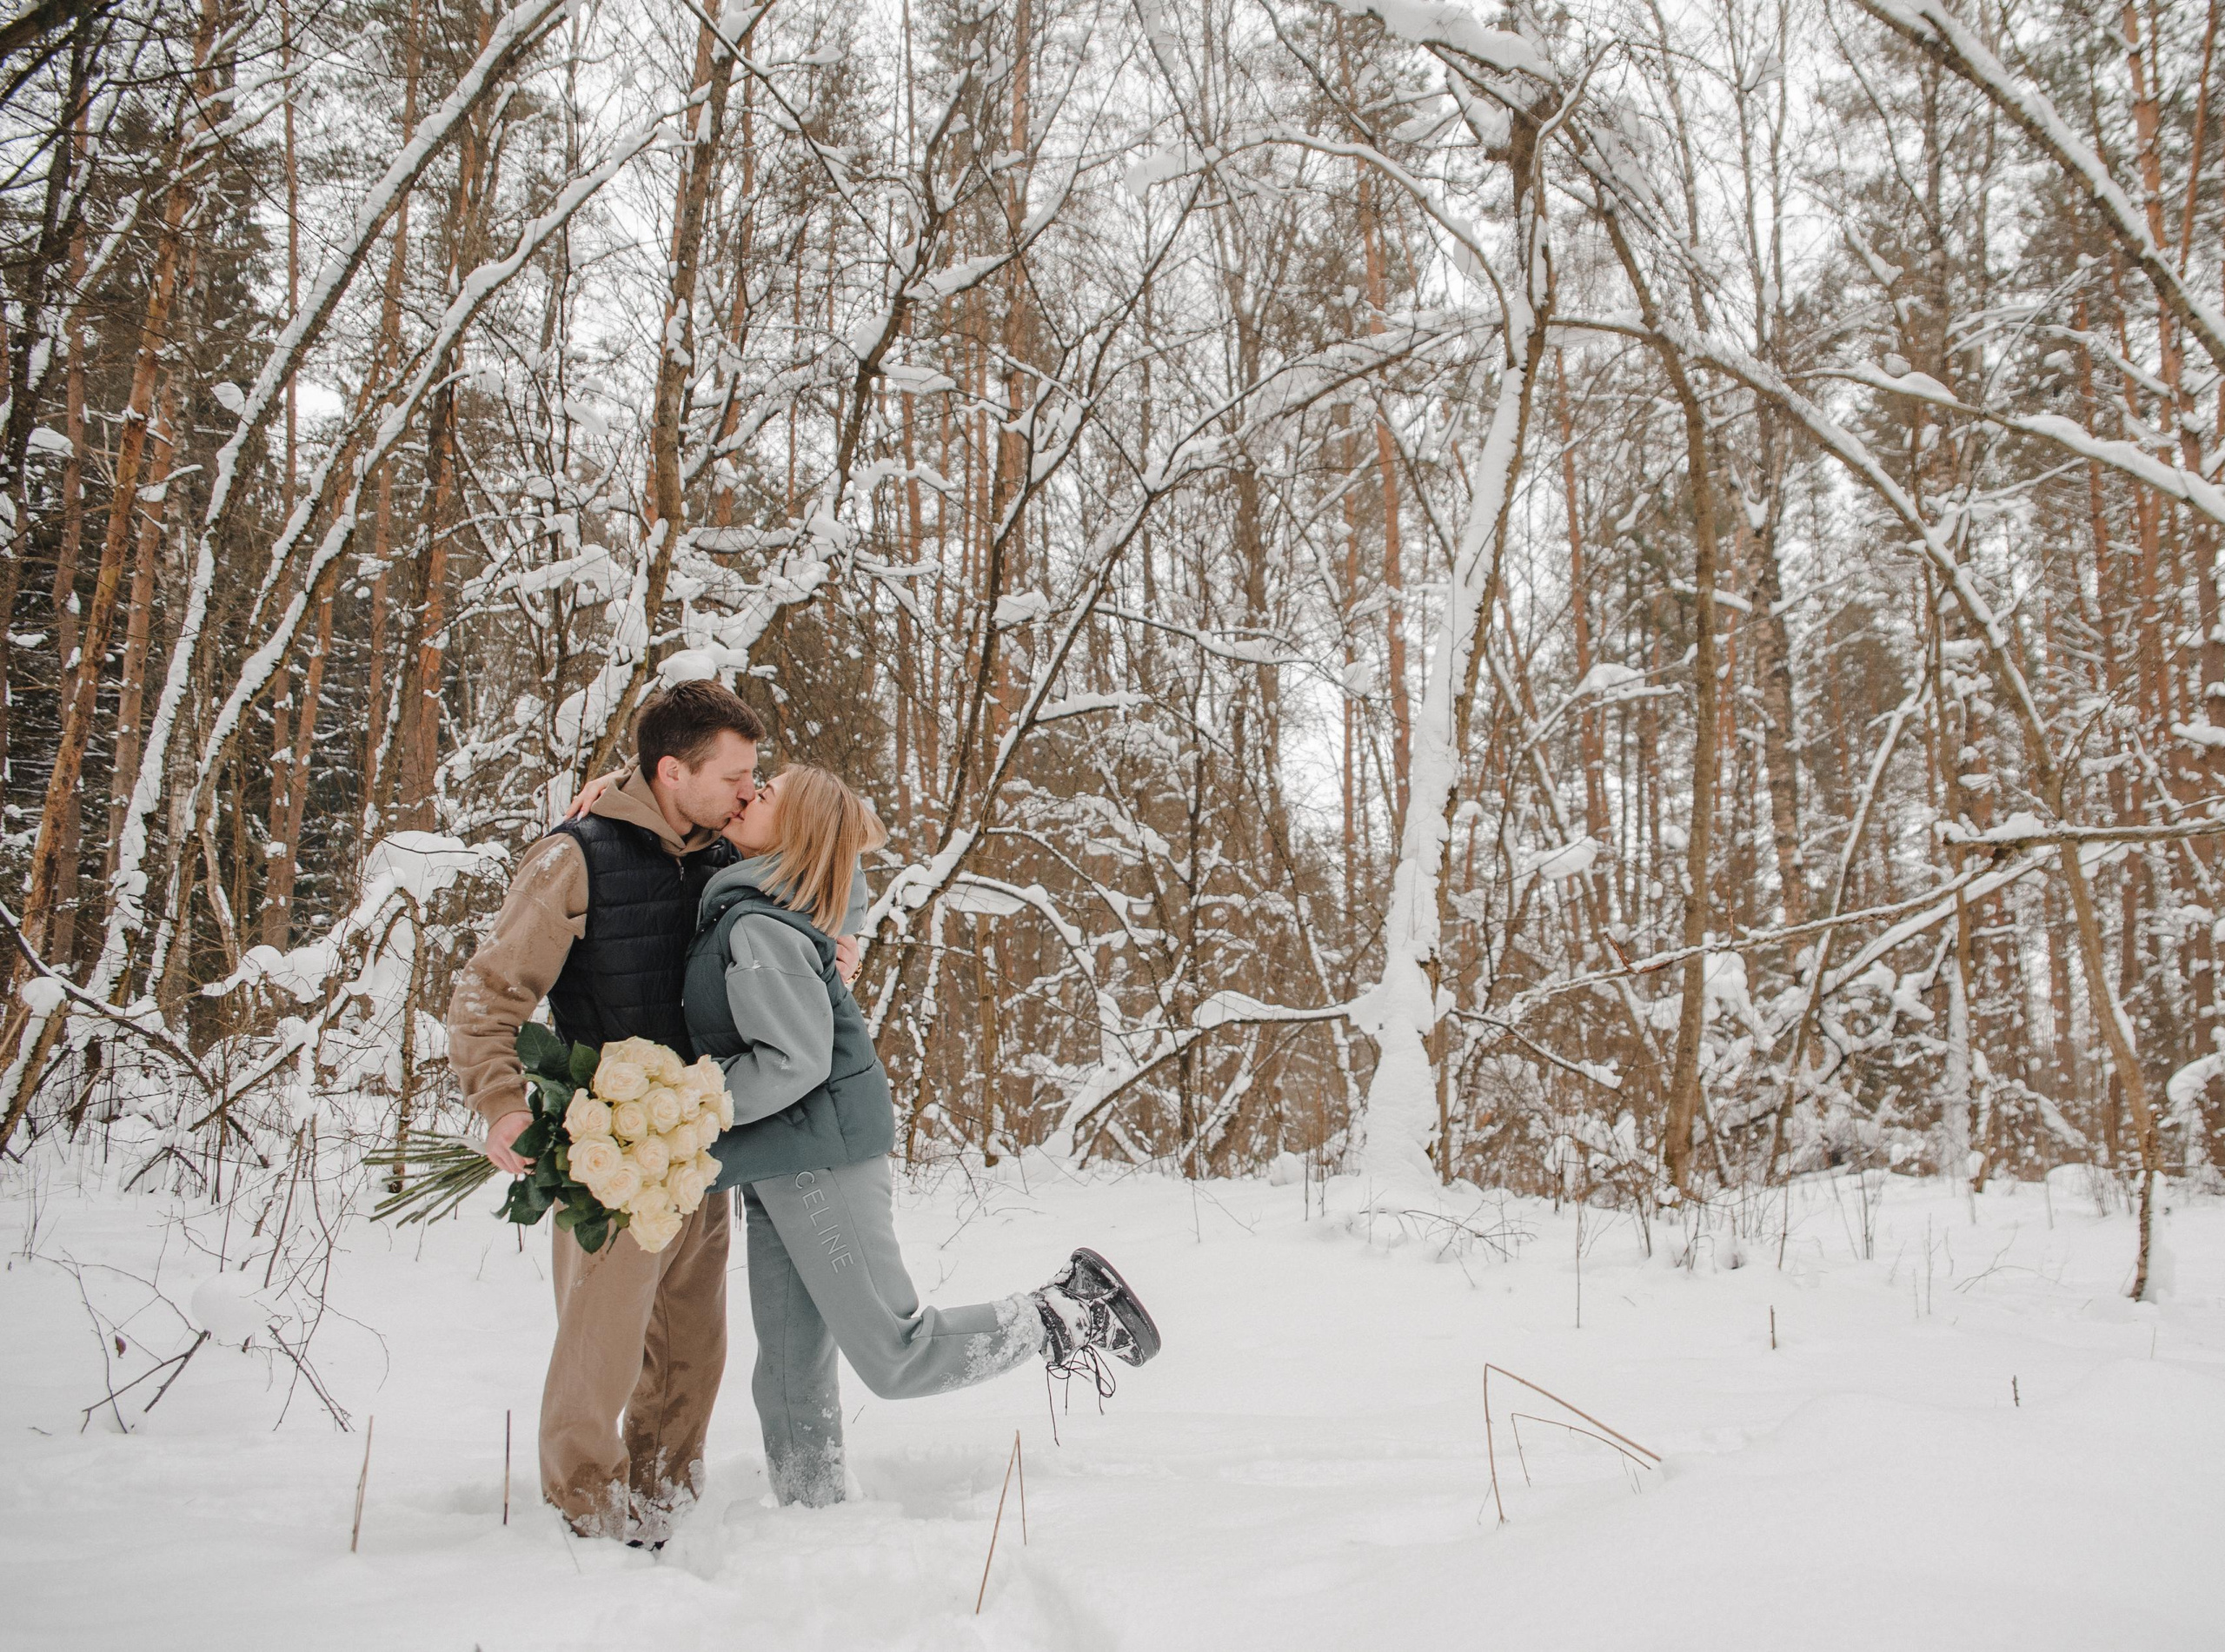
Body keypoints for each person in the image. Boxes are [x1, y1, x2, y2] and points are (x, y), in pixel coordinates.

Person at [686, 762, 1162, 1508]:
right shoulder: (755, 899)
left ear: (797, 832)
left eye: (766, 792)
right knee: (786, 1367)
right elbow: (839, 879)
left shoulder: (758, 921)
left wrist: (688, 1104)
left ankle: (1066, 1310)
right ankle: (812, 1516)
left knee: (892, 1352)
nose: (749, 794)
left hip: (821, 1155)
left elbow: (796, 1062)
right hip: (776, 1160)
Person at [446, 680, 774, 1543]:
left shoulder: (725, 853)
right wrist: (500, 1100)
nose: (750, 789)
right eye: (736, 773)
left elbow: (810, 828)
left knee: (692, 1342)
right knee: (604, 1339)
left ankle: (668, 1493)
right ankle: (583, 1507)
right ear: (672, 771)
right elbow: (491, 986)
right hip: (610, 1142)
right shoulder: (575, 855)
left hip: (700, 1141)